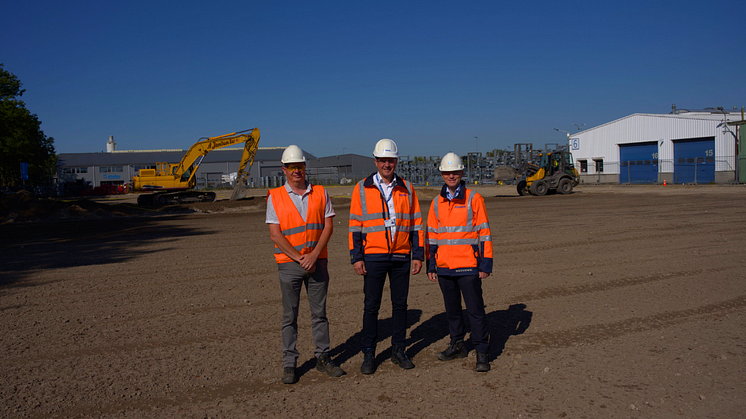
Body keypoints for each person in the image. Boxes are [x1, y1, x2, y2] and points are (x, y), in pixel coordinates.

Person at [266, 145, 345, 384]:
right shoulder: (275, 196)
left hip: (317, 262)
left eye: (299, 166)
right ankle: (290, 363)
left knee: (319, 314)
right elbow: (275, 234)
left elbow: (328, 226)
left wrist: (314, 255)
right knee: (289, 315)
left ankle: (323, 357)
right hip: (290, 264)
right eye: (291, 167)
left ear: (304, 167)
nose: (296, 171)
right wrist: (299, 257)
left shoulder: (320, 193)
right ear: (284, 169)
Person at [349, 138, 424, 374]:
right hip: (373, 257)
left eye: (390, 160)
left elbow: (416, 225)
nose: (386, 164)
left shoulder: (407, 188)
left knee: (400, 305)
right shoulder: (362, 188)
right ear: (376, 161)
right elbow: (354, 226)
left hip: (401, 256)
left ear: (396, 161)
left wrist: (418, 255)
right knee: (371, 306)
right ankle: (369, 353)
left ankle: (398, 349)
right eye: (382, 160)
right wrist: (357, 257)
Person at [426, 152, 493, 372]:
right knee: (452, 310)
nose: (451, 176)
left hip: (468, 266)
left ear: (461, 173)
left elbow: (484, 232)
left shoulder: (474, 198)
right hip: (444, 267)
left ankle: (482, 352)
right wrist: (431, 264)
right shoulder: (436, 202)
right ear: (442, 175)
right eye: (447, 172)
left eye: (454, 172)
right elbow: (432, 236)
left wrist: (485, 264)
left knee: (475, 310)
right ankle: (457, 344)